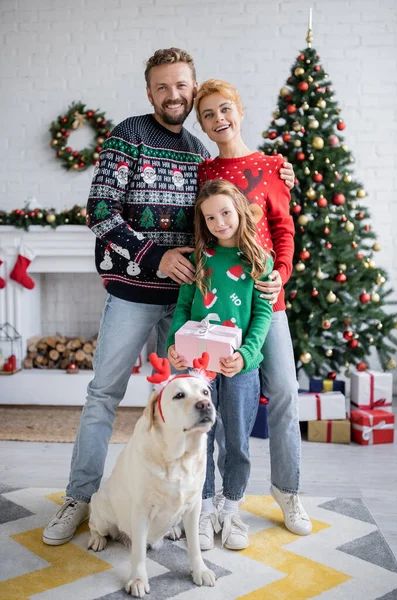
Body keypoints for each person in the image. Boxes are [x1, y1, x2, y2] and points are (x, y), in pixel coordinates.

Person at [43, 49, 295, 546]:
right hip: (134, 293)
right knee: (103, 395)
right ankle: (80, 497)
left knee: (187, 405)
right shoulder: (127, 136)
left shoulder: (203, 154)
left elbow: (229, 214)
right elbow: (98, 210)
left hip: (192, 307)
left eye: (182, 85)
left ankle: (187, 506)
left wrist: (279, 173)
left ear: (192, 87)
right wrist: (152, 256)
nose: (173, 94)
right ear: (149, 92)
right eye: (162, 86)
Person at [193, 79, 312, 537]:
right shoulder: (204, 173)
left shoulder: (271, 167)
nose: (219, 119)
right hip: (218, 306)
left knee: (283, 390)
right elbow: (202, 233)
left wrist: (280, 272)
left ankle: (288, 490)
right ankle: (209, 502)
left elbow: (283, 230)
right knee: (222, 403)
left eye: (225, 109)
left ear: (239, 109)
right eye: (208, 114)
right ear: (201, 124)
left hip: (266, 301)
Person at [167, 179, 273, 551]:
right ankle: (203, 510)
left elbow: (262, 317)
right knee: (200, 439)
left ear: (240, 211)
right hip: (198, 371)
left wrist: (245, 354)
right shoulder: (200, 258)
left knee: (237, 442)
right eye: (210, 217)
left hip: (241, 369)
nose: (219, 222)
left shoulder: (259, 258)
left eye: (225, 213)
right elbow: (182, 310)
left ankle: (231, 510)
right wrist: (173, 347)